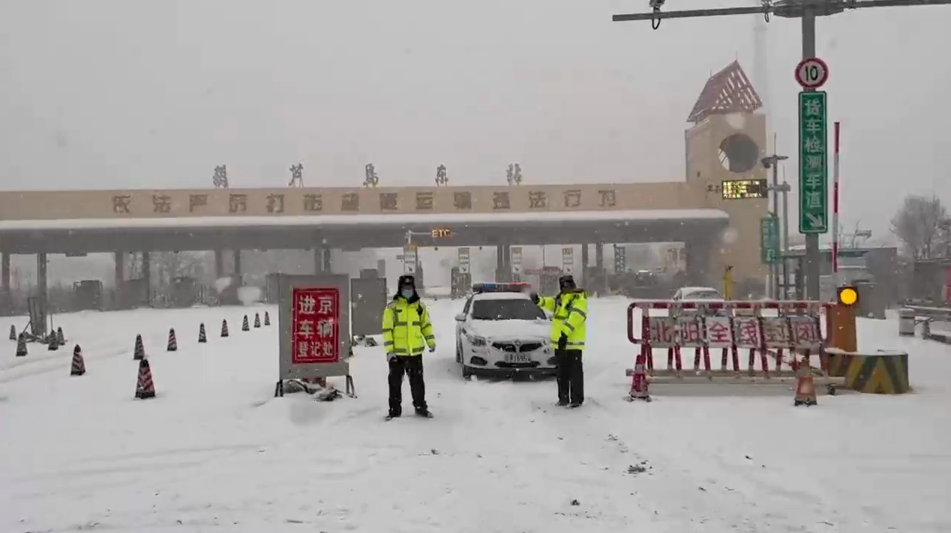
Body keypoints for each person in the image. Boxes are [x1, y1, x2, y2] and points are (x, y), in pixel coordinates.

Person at [381, 275, 436, 418]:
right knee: (394, 384)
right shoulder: (392, 308)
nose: (407, 290)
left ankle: (420, 407)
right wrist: (389, 351)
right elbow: (387, 330)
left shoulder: (419, 307)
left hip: (415, 353)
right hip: (397, 354)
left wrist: (431, 342)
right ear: (400, 288)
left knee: (418, 383)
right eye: (405, 288)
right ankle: (394, 411)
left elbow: (426, 326)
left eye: (410, 288)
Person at [531, 275, 588, 407]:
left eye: (566, 285)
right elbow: (550, 303)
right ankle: (563, 398)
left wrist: (565, 333)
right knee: (562, 372)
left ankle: (576, 399)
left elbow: (577, 316)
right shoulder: (560, 298)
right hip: (560, 342)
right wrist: (538, 300)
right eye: (562, 285)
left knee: (574, 373)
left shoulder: (578, 298)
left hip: (573, 343)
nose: (564, 287)